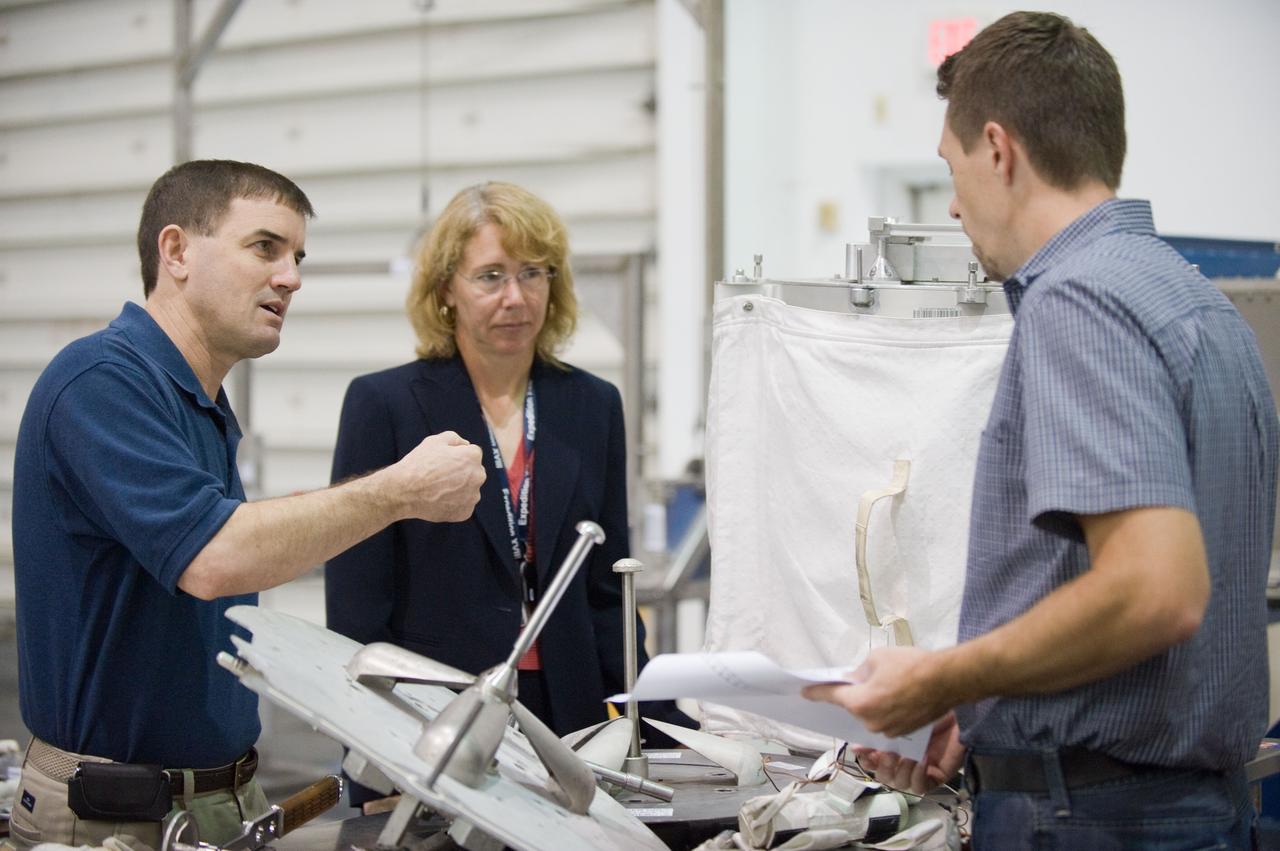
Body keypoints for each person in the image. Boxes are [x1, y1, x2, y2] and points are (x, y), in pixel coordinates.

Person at [804, 12, 1277, 848]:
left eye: (951, 171)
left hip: (1092, 821)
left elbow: (1156, 590)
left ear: (999, 148)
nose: (952, 205)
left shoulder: (1078, 300)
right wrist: (987, 705)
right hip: (1189, 810)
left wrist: (942, 675)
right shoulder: (1204, 305)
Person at [9, 160, 486, 849]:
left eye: (297, 256)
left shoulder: (199, 405)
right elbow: (216, 556)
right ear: (175, 251)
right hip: (114, 816)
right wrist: (400, 489)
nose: (291, 276)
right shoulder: (101, 383)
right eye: (265, 247)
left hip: (215, 799)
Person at [325, 181, 692, 808]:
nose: (516, 297)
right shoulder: (384, 405)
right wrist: (371, 751)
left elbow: (607, 592)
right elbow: (357, 606)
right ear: (446, 289)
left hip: (566, 713)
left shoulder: (591, 405)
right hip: (434, 707)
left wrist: (667, 731)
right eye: (490, 276)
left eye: (532, 273)